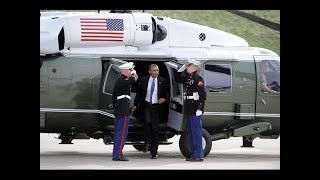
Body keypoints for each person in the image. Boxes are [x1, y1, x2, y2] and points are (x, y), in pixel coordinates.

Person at [132, 64, 169, 159]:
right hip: (147, 106)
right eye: (154, 70)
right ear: (149, 72)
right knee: (147, 124)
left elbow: (168, 94)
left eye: (157, 70)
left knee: (155, 129)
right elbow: (139, 94)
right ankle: (147, 141)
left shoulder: (162, 81)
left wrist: (164, 99)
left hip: (157, 107)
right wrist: (135, 105)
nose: (156, 72)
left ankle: (154, 151)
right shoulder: (144, 80)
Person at [175, 59, 206, 162]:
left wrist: (200, 109)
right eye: (187, 66)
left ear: (195, 67)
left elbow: (203, 96)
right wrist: (181, 69)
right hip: (189, 108)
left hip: (195, 108)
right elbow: (177, 79)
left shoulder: (198, 79)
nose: (187, 67)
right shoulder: (189, 78)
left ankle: (198, 155)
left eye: (189, 66)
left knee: (196, 132)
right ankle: (194, 154)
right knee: (191, 132)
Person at [111, 62, 138, 161]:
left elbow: (114, 98)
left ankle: (116, 154)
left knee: (119, 133)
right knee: (122, 133)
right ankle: (118, 155)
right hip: (123, 110)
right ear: (126, 71)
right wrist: (134, 75)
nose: (131, 72)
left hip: (120, 109)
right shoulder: (122, 80)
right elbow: (134, 80)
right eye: (130, 70)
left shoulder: (121, 80)